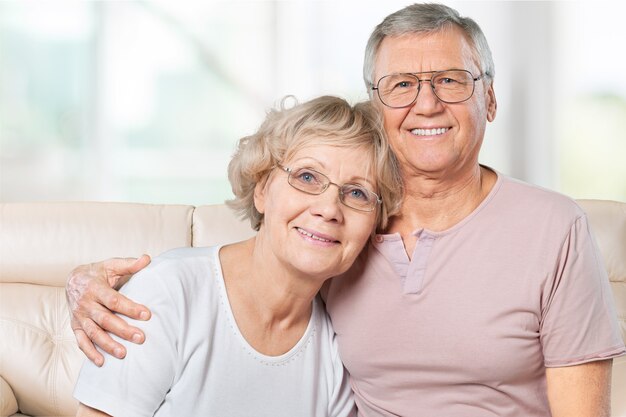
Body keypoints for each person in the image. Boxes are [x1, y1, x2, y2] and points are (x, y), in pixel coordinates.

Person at [67, 3, 625, 417]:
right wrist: (88, 282)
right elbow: (229, 265)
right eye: (402, 84)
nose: (426, 102)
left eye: (451, 81)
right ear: (377, 106)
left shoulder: (555, 228)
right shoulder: (340, 240)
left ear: (491, 98)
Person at [71, 95, 403, 417]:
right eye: (307, 177)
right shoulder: (169, 292)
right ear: (262, 189)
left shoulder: (337, 349)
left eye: (357, 193)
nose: (330, 209)